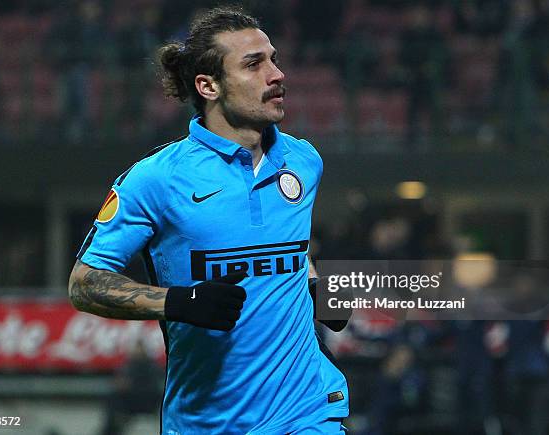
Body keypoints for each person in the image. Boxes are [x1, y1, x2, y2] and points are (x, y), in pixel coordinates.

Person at [68, 6, 350, 434]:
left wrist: (314, 284)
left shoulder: (304, 160)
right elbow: (84, 284)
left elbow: (288, 247)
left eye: (273, 59)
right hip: (207, 422)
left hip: (307, 413)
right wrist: (178, 302)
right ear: (208, 85)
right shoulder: (157, 179)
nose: (276, 74)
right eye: (254, 64)